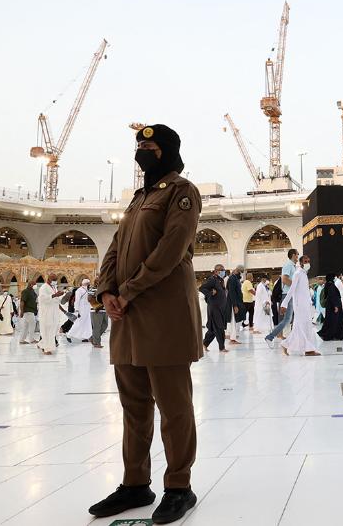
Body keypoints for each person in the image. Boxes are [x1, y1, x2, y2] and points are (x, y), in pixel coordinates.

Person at [89, 123, 204, 524]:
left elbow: (171, 249)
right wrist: (105, 291)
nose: (143, 152)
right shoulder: (138, 199)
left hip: (164, 314)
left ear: (168, 151)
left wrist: (129, 289)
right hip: (127, 315)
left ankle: (179, 486)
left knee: (174, 407)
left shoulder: (181, 192)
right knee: (134, 407)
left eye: (150, 147)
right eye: (139, 146)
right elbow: (115, 249)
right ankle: (136, 483)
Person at [280, 254, 321, 356]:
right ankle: (308, 350)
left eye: (309, 261)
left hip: (305, 305)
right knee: (302, 326)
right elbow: (292, 290)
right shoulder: (297, 273)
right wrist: (284, 303)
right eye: (306, 261)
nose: (308, 263)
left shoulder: (304, 274)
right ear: (301, 262)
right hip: (299, 305)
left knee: (302, 326)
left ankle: (286, 344)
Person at [265, 249, 300, 345]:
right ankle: (270, 336)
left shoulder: (293, 266)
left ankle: (288, 338)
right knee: (287, 319)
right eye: (297, 254)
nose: (298, 256)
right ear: (293, 255)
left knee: (289, 319)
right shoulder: (288, 265)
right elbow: (284, 279)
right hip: (287, 295)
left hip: (290, 294)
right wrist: (295, 287)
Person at [201, 265, 229, 353]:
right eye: (222, 270)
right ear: (216, 271)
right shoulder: (212, 280)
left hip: (220, 308)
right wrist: (210, 293)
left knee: (212, 329)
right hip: (214, 308)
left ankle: (204, 344)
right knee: (219, 327)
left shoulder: (220, 280)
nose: (223, 272)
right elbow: (202, 288)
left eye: (224, 270)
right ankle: (222, 347)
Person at [36, 276, 65, 355]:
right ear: (48, 279)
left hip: (54, 312)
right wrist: (55, 295)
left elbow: (56, 299)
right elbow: (42, 299)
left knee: (53, 330)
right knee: (46, 330)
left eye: (56, 280)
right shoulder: (43, 287)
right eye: (54, 280)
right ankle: (46, 349)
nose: (55, 281)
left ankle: (41, 344)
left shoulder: (53, 287)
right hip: (46, 313)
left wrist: (60, 296)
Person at [318, 273, 343, 341]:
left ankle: (332, 335)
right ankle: (330, 335)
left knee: (330, 321)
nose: (334, 278)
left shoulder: (328, 284)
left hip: (330, 306)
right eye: (333, 277)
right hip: (333, 306)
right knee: (334, 321)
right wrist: (335, 306)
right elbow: (332, 296)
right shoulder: (331, 285)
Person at [18, 280, 38, 345]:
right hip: (28, 310)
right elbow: (22, 302)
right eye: (34, 284)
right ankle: (31, 339)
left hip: (32, 310)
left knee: (26, 326)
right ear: (31, 284)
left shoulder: (33, 291)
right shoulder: (25, 291)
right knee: (32, 324)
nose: (36, 285)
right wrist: (21, 311)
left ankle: (22, 340)